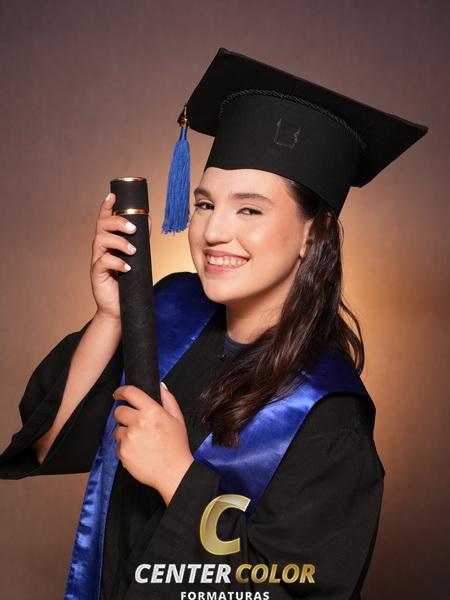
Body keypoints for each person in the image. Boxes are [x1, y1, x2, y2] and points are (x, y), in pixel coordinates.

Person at [0, 47, 428, 600]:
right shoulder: (169, 311)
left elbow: (292, 590)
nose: (213, 232)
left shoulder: (327, 416)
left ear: (314, 234)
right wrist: (112, 315)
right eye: (204, 205)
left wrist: (178, 477)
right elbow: (48, 445)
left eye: (249, 209)